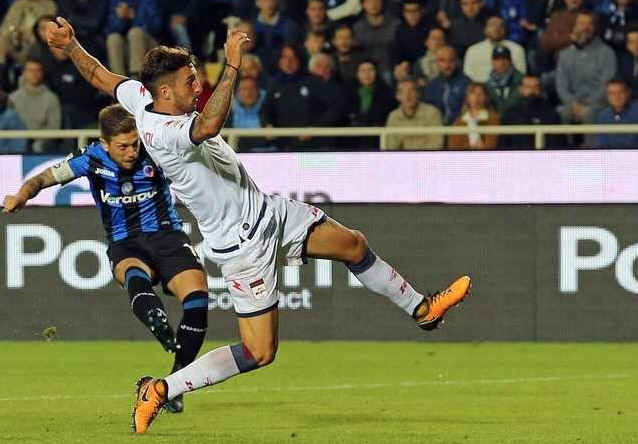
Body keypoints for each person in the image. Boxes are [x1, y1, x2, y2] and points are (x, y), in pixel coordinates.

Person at [47, 17, 470, 434]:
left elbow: (99, 75)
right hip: (242, 245)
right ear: (165, 91)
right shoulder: (165, 131)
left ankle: (422, 309)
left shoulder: (141, 98)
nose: (198, 87)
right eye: (190, 82)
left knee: (353, 245)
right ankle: (159, 390)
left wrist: (70, 46)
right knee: (259, 352)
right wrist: (232, 65)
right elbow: (210, 124)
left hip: (269, 212)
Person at [2, 104, 210, 414]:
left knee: (198, 299)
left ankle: (175, 384)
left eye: (134, 144)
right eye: (122, 146)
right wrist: (21, 195)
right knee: (133, 273)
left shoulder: (155, 149)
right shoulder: (91, 159)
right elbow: (44, 178)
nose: (131, 152)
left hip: (168, 236)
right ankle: (154, 318)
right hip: (126, 242)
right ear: (105, 143)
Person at [556, 10, 616, 124]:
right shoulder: (564, 55)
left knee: (589, 113)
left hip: (598, 104)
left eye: (589, 24)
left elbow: (606, 85)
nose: (585, 28)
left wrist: (586, 104)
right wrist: (573, 103)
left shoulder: (607, 53)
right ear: (574, 27)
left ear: (595, 27)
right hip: (571, 104)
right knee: (561, 113)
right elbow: (561, 86)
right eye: (582, 23)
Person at [9, 58, 60, 153]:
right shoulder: (13, 98)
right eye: (30, 71)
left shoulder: (51, 98)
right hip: (17, 140)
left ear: (42, 73)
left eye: (37, 71)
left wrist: (35, 138)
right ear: (24, 73)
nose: (34, 74)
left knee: (38, 146)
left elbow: (54, 127)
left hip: (41, 142)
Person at [498, 74, 562, 149]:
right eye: (528, 87)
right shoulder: (510, 115)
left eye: (535, 87)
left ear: (540, 89)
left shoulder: (551, 114)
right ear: (520, 89)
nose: (532, 91)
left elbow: (558, 144)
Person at [593, 77, 638, 148]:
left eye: (620, 93)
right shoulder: (603, 116)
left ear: (628, 93)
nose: (616, 97)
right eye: (612, 93)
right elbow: (601, 145)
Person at [462, 15, 526, 83]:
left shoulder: (517, 49)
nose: (497, 28)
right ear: (485, 28)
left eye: (501, 26)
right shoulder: (473, 50)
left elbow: (521, 77)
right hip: (479, 87)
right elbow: (467, 77)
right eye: (493, 25)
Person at [386, 77, 445, 149]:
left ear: (419, 93)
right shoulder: (393, 117)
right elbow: (391, 147)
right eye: (402, 92)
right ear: (397, 96)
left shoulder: (433, 113)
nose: (408, 95)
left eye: (412, 90)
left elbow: (437, 144)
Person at [423, 45, 471, 125]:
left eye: (451, 61)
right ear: (437, 62)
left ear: (456, 61)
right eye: (442, 61)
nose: (447, 65)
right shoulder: (431, 86)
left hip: (460, 127)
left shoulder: (466, 83)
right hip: (436, 127)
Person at [448, 82, 498, 149]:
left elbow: (492, 143)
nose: (476, 98)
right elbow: (453, 146)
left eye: (480, 94)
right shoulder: (459, 122)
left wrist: (482, 148)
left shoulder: (492, 119)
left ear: (486, 97)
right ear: (468, 98)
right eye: (473, 94)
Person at [485, 44, 522, 116]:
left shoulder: (521, 80)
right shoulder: (488, 85)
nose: (501, 63)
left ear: (510, 61)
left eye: (505, 59)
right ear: (492, 62)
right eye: (497, 59)